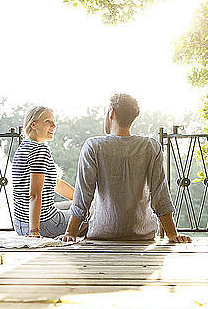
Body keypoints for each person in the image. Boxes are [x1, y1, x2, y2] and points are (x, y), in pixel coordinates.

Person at [58, 93, 191, 243]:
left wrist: (71, 233)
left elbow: (83, 195)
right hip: (142, 235)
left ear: (111, 113)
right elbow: (160, 194)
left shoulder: (93, 146)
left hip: (103, 234)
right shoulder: (151, 146)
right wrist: (172, 234)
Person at [12, 106, 75, 238]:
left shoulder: (23, 147)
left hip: (19, 225)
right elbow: (34, 194)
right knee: (90, 213)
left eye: (54, 122)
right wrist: (34, 232)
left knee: (80, 205)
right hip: (42, 225)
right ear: (33, 124)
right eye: (48, 121)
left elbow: (56, 184)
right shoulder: (40, 150)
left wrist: (83, 200)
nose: (54, 125)